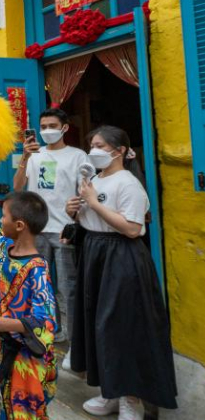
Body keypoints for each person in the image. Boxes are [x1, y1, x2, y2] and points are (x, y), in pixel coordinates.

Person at [65, 126, 176, 419]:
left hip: (121, 257)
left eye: (99, 145)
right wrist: (74, 209)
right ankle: (109, 391)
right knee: (97, 325)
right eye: (92, 144)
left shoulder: (128, 184)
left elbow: (132, 228)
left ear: (118, 151)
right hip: (94, 253)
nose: (93, 150)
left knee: (122, 326)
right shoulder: (94, 180)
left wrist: (92, 203)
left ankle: (131, 398)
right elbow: (89, 218)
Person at [0, 192, 57, 420]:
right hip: (7, 350)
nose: (0, 219)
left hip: (28, 359)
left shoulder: (38, 270)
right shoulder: (2, 247)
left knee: (24, 412)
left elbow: (45, 322)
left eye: (4, 216)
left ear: (19, 225)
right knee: (10, 407)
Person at [13, 108, 87, 348]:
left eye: (52, 126)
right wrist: (24, 158)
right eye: (43, 126)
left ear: (65, 128)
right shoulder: (34, 155)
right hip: (37, 230)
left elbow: (86, 192)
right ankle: (52, 331)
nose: (47, 131)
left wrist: (77, 218)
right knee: (41, 286)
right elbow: (18, 187)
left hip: (63, 230)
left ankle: (76, 342)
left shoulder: (77, 156)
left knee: (68, 287)